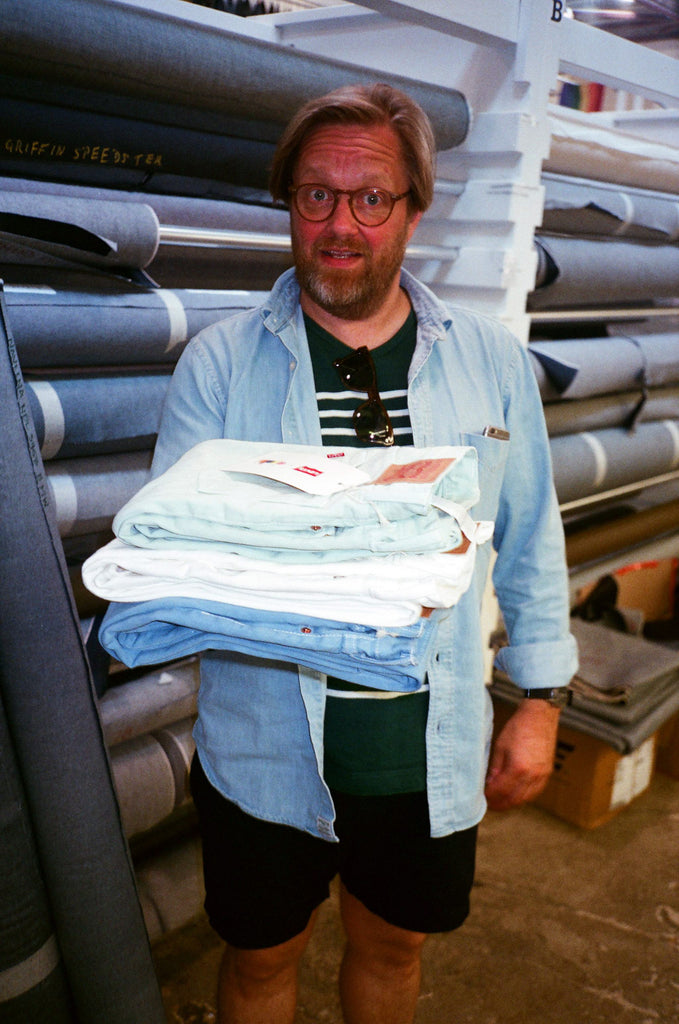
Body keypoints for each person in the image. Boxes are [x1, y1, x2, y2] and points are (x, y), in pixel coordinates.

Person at [150, 82, 577, 1024]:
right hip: (265, 748)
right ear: (288, 203)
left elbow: (530, 537)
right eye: (316, 195)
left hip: (423, 753)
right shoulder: (219, 365)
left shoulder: (489, 362)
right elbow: (179, 555)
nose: (340, 224)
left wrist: (540, 701)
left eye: (371, 197)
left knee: (392, 947)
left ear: (415, 211)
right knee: (262, 960)